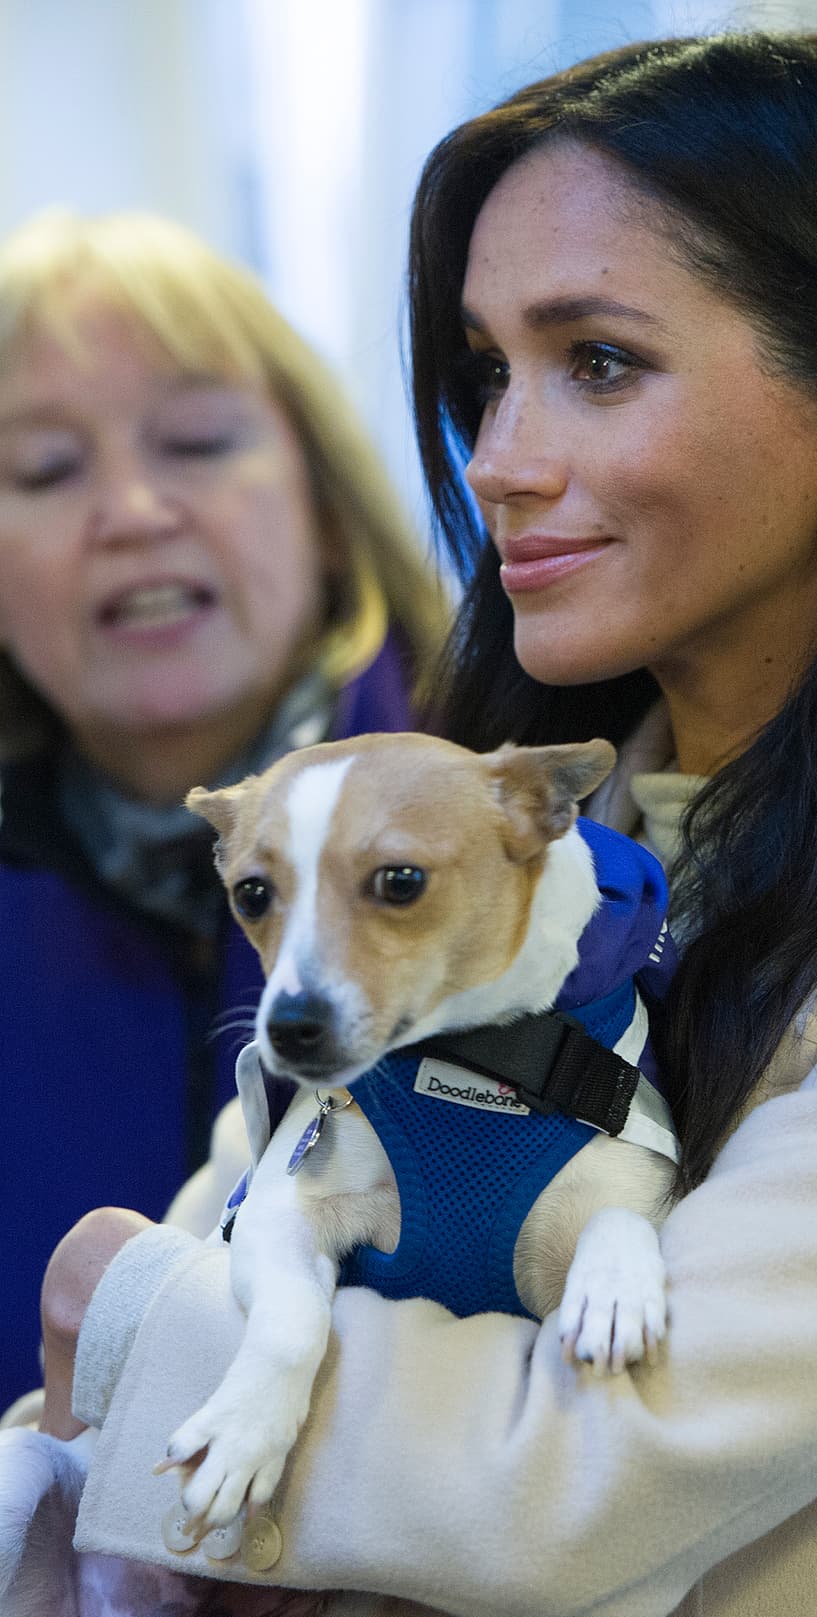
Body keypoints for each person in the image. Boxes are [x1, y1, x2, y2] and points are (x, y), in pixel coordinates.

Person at [38, 34, 817, 1617]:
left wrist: (132, 1323)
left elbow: (598, 1467)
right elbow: (225, 1241)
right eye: (486, 375)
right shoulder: (505, 842)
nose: (497, 461)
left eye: (600, 363)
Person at [0, 210, 450, 1416]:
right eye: (45, 470)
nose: (133, 510)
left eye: (196, 442)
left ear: (325, 505)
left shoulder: (524, 834)